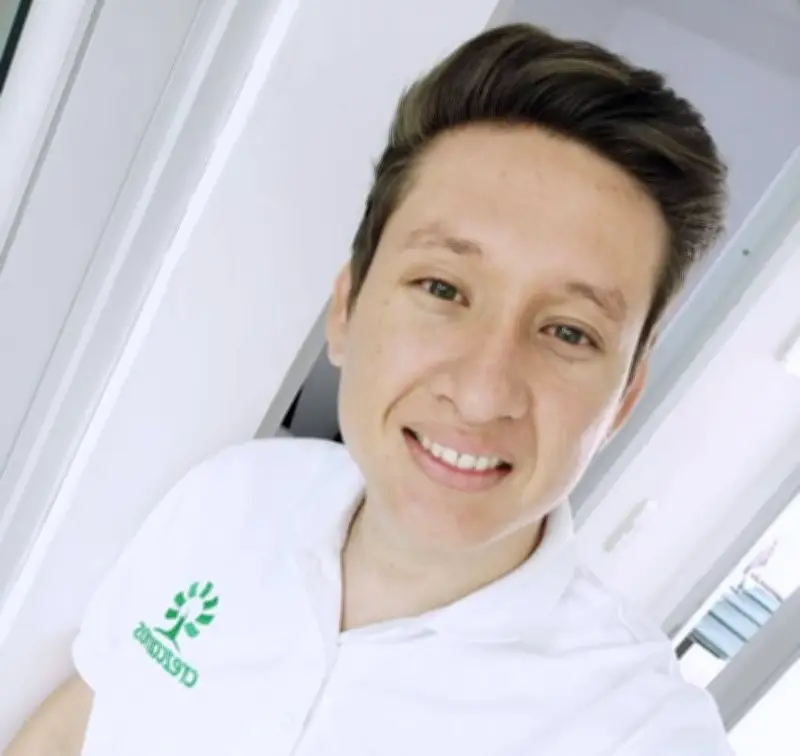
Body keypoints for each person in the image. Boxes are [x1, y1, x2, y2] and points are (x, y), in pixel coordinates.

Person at [8, 22, 732, 756]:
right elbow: (78, 720)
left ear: (623, 400)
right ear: (346, 307)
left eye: (569, 332)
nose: (482, 394)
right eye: (443, 288)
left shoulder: (641, 731)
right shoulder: (228, 496)